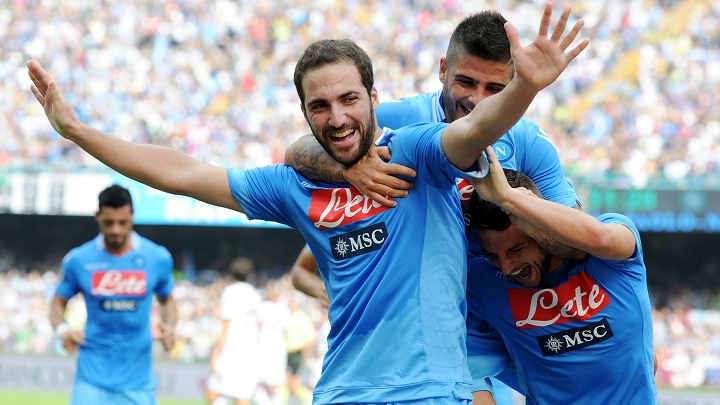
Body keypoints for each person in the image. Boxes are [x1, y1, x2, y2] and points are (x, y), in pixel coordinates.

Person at [29, 3, 588, 402]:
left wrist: (525, 89)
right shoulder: (296, 186)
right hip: (342, 389)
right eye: (320, 105)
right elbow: (185, 172)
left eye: (349, 99)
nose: (337, 116)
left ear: (375, 99)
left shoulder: (420, 150)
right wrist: (79, 132)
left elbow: (472, 132)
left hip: (435, 387)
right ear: (305, 113)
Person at [284, 9, 583, 401]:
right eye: (466, 82)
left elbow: (575, 244)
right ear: (443, 69)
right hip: (434, 331)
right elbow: (298, 150)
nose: (476, 101)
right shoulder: (403, 120)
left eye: (495, 89)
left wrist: (520, 205)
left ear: (515, 83)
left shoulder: (528, 145)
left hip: (508, 314)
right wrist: (350, 169)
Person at [464, 147, 657, 404]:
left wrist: (510, 200)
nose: (507, 267)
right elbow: (459, 365)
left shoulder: (612, 256)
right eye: (493, 256)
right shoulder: (483, 282)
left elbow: (599, 238)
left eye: (517, 249)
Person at [48, 184, 177, 405]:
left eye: (122, 222)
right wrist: (62, 330)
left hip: (138, 381)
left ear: (133, 216)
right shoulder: (79, 260)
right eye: (109, 222)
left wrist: (170, 326)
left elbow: (167, 301)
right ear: (97, 216)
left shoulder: (157, 258)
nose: (116, 229)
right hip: (91, 379)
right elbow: (57, 303)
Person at [206, 257, 262, 405]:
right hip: (251, 349)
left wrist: (216, 352)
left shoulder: (230, 292)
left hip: (231, 348)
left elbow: (226, 324)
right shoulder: (255, 294)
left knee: (213, 392)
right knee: (242, 396)